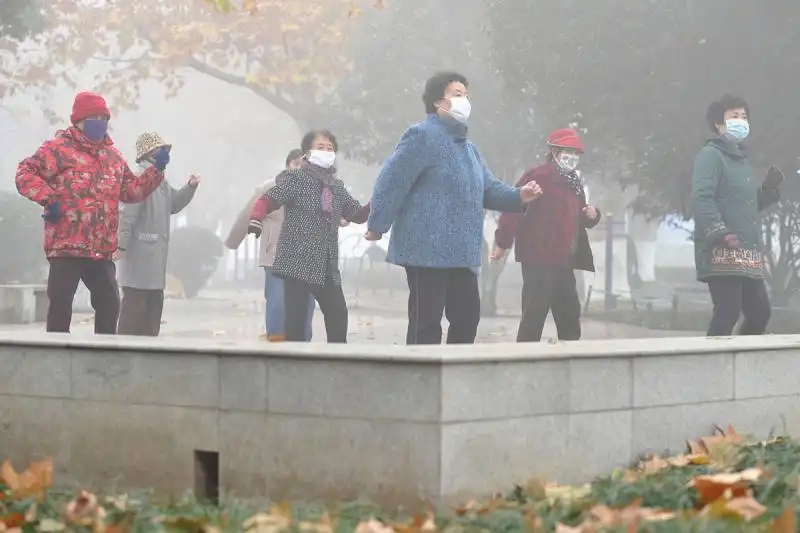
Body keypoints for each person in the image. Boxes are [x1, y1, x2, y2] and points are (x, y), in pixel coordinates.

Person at [365, 71, 543, 345]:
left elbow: (488, 188)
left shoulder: (468, 149)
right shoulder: (420, 136)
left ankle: (455, 378)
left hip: (461, 251)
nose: (465, 100)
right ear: (439, 103)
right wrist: (377, 224)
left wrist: (519, 196)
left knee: (467, 318)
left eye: (466, 95)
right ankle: (421, 379)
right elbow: (392, 181)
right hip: (426, 250)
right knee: (426, 323)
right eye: (457, 94)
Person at [15, 91, 169, 334]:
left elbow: (132, 192)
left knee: (109, 302)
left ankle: (103, 358)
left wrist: (156, 170)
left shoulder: (113, 157)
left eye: (104, 117)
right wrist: (49, 199)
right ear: (79, 121)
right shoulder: (57, 150)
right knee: (60, 304)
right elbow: (25, 173)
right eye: (94, 117)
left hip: (100, 248)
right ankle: (56, 356)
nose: (101, 123)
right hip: (66, 244)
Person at [247, 130, 370, 343]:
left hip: (326, 265)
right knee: (296, 325)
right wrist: (256, 219)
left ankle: (336, 365)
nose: (326, 152)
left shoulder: (336, 186)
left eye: (330, 148)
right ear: (307, 153)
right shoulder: (295, 179)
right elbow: (268, 200)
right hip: (298, 263)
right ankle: (294, 369)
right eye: (320, 147)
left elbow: (356, 214)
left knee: (338, 316)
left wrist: (379, 202)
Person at [491, 129, 601, 342]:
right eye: (567, 150)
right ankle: (525, 361)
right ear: (555, 152)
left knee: (570, 316)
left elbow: (579, 215)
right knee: (534, 316)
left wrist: (592, 215)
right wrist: (502, 242)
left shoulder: (573, 182)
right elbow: (514, 205)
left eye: (575, 152)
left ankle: (570, 363)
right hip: (538, 259)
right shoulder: (538, 176)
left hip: (565, 261)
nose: (572, 156)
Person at [692, 95, 783, 336]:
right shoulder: (711, 155)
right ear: (717, 123)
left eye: (744, 117)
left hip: (746, 249)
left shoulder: (741, 161)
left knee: (760, 313)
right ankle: (712, 368)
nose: (741, 121)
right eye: (734, 116)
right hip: (722, 248)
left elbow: (746, 206)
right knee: (728, 312)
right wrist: (719, 232)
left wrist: (767, 190)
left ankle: (743, 365)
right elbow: (701, 198)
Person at [225, 148, 315, 342]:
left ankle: (303, 346)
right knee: (278, 303)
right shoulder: (269, 187)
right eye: (296, 164)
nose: (300, 168)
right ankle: (276, 343)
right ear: (288, 165)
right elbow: (247, 214)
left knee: (306, 304)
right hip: (275, 254)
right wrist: (234, 241)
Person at [116, 132, 200, 336]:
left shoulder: (160, 179)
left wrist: (189, 188)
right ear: (148, 153)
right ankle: (123, 355)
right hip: (139, 256)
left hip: (155, 259)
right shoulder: (138, 177)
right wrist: (120, 245)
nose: (164, 154)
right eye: (160, 150)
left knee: (153, 308)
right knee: (134, 308)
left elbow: (174, 204)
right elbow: (127, 214)